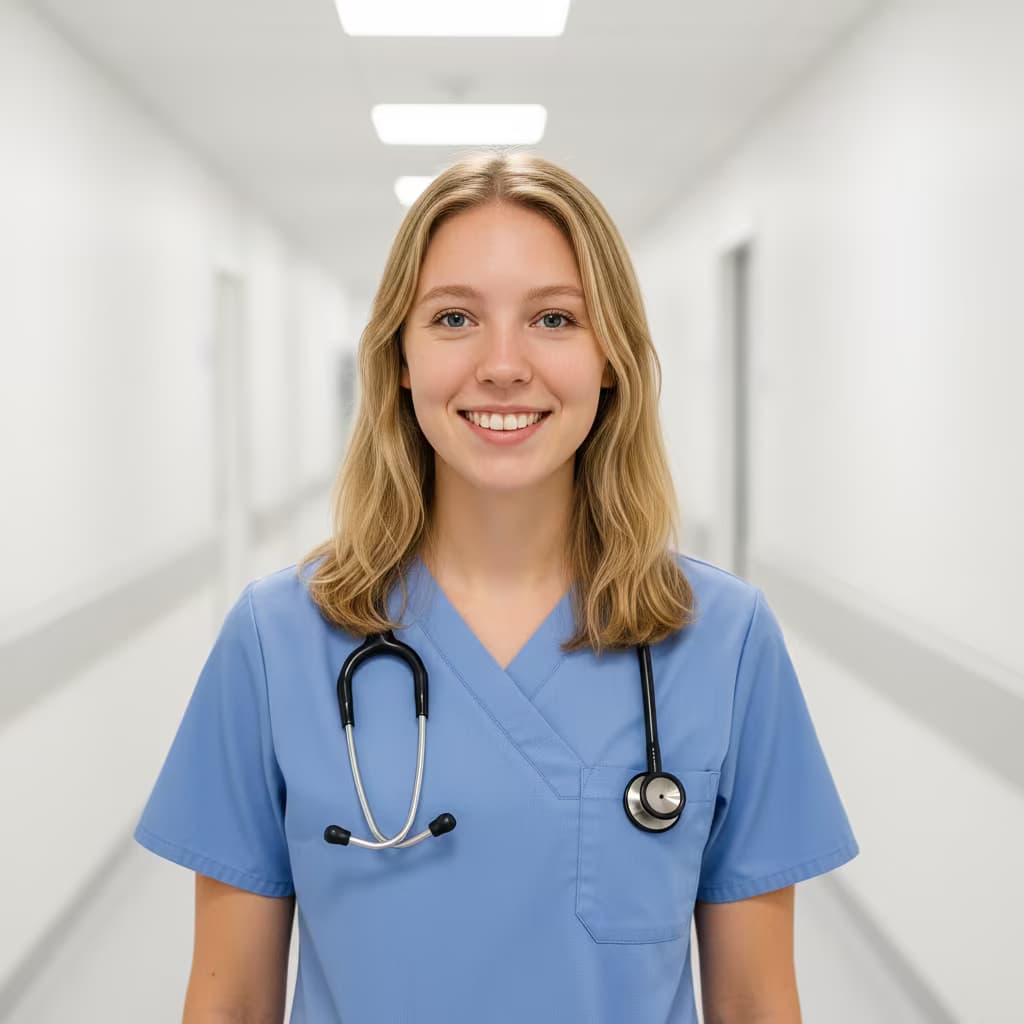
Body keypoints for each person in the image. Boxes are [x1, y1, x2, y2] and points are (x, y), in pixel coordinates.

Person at [134, 149, 859, 1023]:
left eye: (555, 319)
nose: (504, 364)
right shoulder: (275, 640)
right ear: (399, 358)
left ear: (611, 359)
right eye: (453, 319)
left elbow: (754, 1003)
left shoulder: (723, 641)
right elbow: (231, 1004)